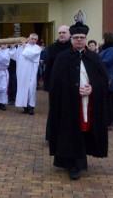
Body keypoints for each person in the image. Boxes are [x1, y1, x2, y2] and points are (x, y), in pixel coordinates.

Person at [47, 22, 109, 181]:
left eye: (82, 37)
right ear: (71, 39)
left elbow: (103, 80)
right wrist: (72, 90)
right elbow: (56, 82)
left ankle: (78, 159)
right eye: (76, 37)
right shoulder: (62, 57)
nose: (79, 40)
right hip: (68, 103)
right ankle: (74, 164)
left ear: (86, 38)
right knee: (69, 131)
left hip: (88, 102)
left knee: (83, 130)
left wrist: (92, 88)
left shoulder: (94, 57)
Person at [11, 33, 41, 114]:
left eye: (35, 39)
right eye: (32, 38)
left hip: (31, 72)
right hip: (22, 72)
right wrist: (13, 47)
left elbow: (31, 55)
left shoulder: (37, 48)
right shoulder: (22, 46)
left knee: (31, 89)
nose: (33, 40)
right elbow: (13, 56)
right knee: (22, 88)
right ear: (29, 38)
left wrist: (24, 46)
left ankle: (31, 107)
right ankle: (25, 107)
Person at [99, 32, 113, 128]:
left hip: (109, 79)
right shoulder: (107, 49)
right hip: (106, 77)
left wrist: (95, 61)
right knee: (105, 101)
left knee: (107, 101)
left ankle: (108, 122)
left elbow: (106, 62)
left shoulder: (111, 50)